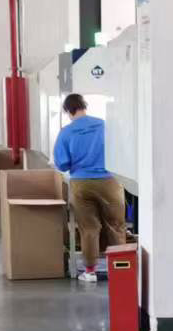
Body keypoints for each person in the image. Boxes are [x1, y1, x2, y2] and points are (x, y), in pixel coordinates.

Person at [51, 93, 126, 284]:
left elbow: (62, 164)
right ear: (85, 106)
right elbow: (122, 149)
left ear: (68, 111)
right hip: (110, 181)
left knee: (89, 228)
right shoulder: (104, 125)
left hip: (81, 183)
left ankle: (90, 271)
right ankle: (120, 269)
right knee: (116, 226)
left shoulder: (66, 132)